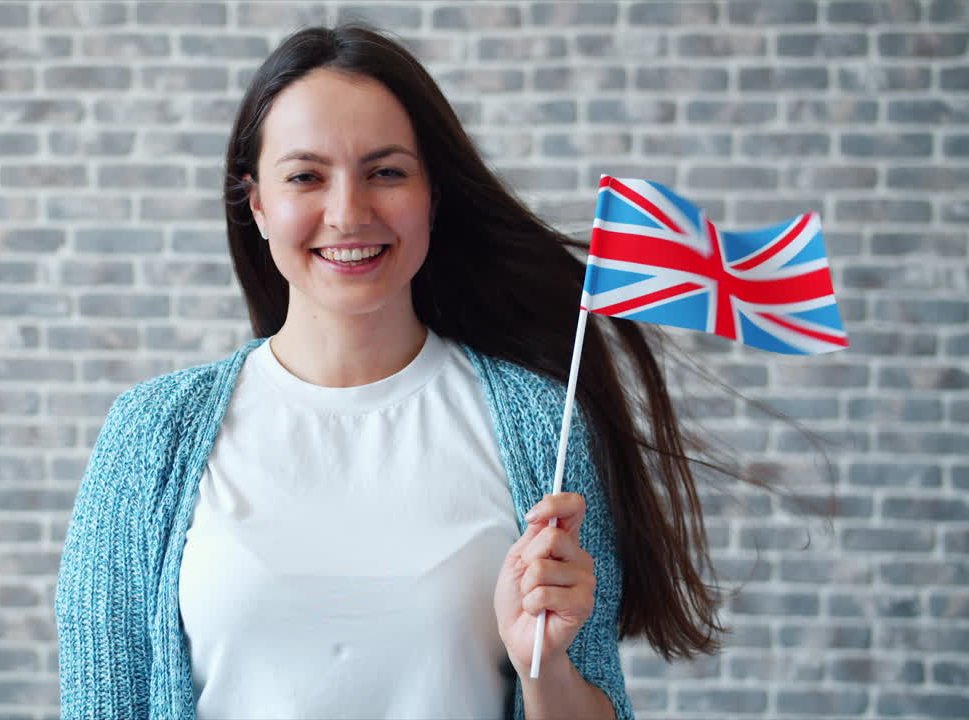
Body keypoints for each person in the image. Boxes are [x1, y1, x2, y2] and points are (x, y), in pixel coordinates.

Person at [56, 23, 723, 720]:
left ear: (432, 195)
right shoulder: (152, 434)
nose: (348, 213)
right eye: (306, 177)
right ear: (256, 202)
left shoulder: (539, 430)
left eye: (386, 172)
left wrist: (546, 666)